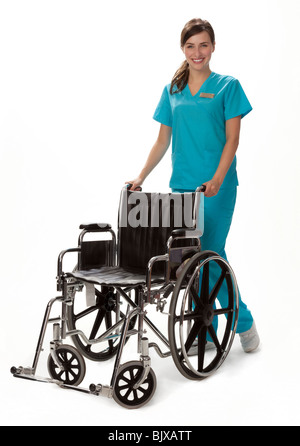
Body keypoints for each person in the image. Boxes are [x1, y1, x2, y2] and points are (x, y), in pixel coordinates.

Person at [126, 18, 259, 353]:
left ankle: (239, 322)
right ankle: (209, 325)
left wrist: (216, 178)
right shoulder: (173, 90)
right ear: (182, 49)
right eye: (190, 46)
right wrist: (141, 176)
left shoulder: (228, 86)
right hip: (182, 189)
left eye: (203, 45)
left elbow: (232, 141)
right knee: (191, 261)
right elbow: (161, 142)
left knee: (209, 254)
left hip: (216, 188)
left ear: (213, 46)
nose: (197, 52)